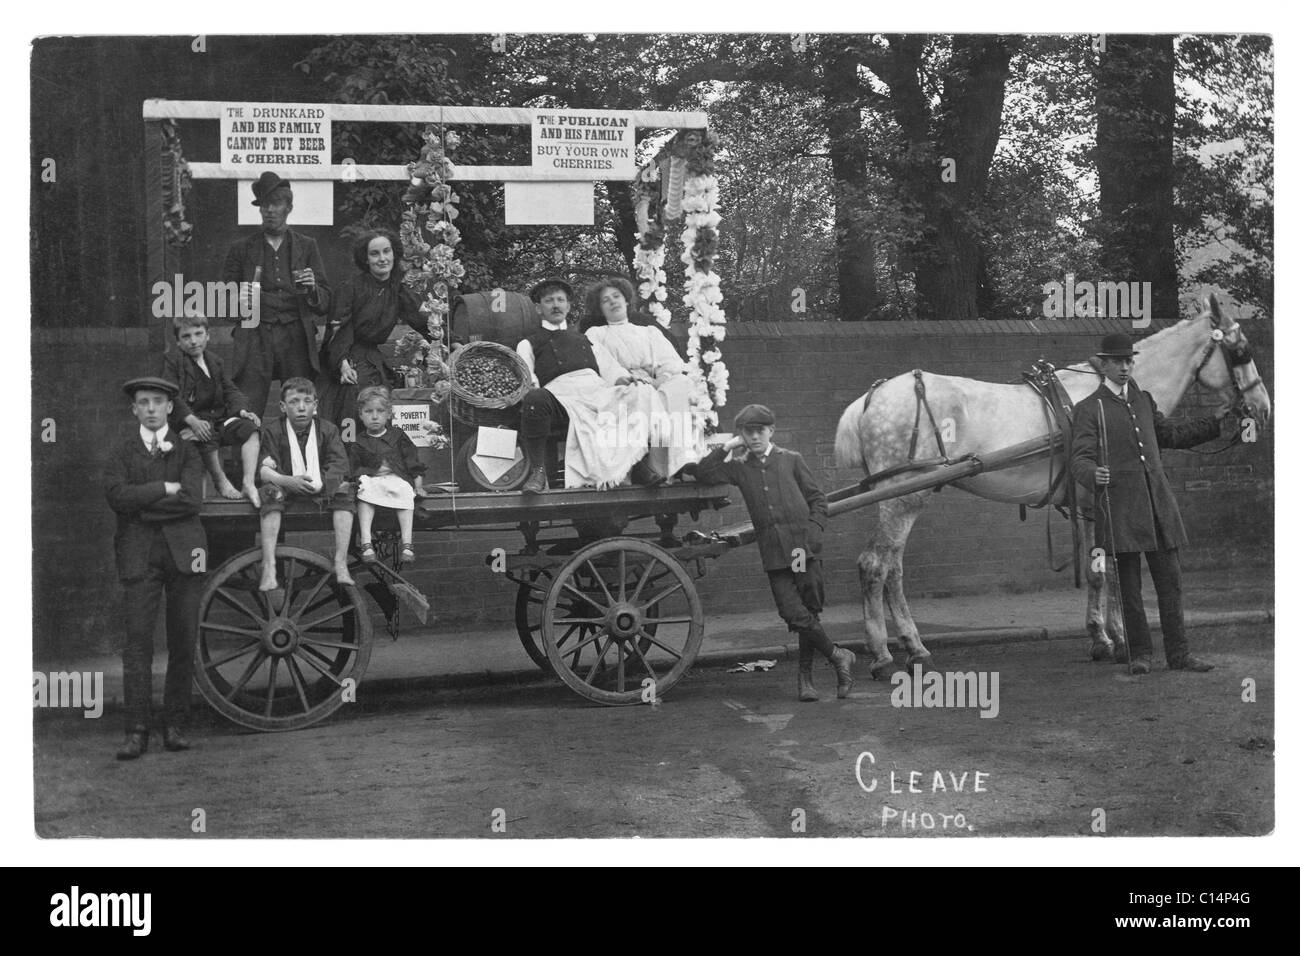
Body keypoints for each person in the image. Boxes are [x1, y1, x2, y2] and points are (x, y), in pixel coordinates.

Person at [1070, 332, 1228, 674]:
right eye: (1118, 361)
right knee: (1129, 590)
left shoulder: (1143, 400)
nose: (1125, 367)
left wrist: (1215, 423)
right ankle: (1141, 655)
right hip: (1122, 509)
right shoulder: (1089, 409)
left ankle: (1179, 656)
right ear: (1105, 365)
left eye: (1129, 361)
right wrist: (1092, 472)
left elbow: (1170, 435)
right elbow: (1079, 459)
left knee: (1170, 584)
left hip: (1158, 505)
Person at [694, 404, 856, 702]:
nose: (755, 437)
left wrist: (814, 533)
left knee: (809, 611)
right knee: (793, 614)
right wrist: (728, 445)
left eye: (760, 431)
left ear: (771, 431)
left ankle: (805, 680)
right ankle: (838, 656)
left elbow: (818, 500)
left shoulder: (791, 460)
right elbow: (704, 473)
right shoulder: (740, 467)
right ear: (742, 435)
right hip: (774, 553)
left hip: (802, 548)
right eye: (748, 432)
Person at [103, 377, 206, 758]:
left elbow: (193, 500)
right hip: (138, 554)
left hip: (185, 553)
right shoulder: (122, 452)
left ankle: (175, 725)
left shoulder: (187, 451)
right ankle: (137, 730)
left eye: (157, 401)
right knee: (137, 645)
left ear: (168, 408)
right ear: (134, 409)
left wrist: (141, 505)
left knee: (182, 643)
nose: (150, 408)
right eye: (143, 402)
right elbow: (117, 497)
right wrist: (164, 489)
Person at [515, 278, 662, 493]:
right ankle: (537, 471)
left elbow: (610, 370)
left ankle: (636, 463)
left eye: (560, 300)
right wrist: (535, 389)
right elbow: (527, 376)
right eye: (548, 301)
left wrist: (625, 380)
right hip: (561, 396)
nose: (555, 305)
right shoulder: (528, 342)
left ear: (568, 306)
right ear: (538, 308)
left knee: (641, 392)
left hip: (595, 391)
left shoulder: (584, 339)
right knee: (534, 399)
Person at [222, 171, 331, 420]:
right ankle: (248, 459)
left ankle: (300, 457)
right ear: (259, 209)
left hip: (296, 337)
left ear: (289, 208)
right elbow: (223, 302)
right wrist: (239, 298)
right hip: (255, 335)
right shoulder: (241, 249)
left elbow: (325, 301)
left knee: (301, 406)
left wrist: (313, 289)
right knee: (246, 407)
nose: (270, 210)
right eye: (264, 204)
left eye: (276, 203)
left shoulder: (307, 246)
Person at [582, 277, 698, 480]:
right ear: (600, 309)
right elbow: (603, 363)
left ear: (626, 300)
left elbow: (670, 363)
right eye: (605, 300)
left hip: (654, 383)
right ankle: (649, 467)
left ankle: (682, 459)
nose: (612, 302)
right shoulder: (596, 333)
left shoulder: (649, 331)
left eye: (616, 296)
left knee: (682, 384)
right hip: (622, 388)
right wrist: (625, 378)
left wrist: (660, 380)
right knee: (640, 392)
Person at [319, 229, 431, 425]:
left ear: (394, 254)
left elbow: (424, 323)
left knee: (379, 408)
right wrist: (342, 364)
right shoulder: (350, 288)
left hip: (372, 359)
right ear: (365, 259)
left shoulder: (399, 290)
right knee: (353, 401)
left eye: (386, 251)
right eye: (374, 253)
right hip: (343, 358)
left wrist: (453, 342)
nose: (382, 258)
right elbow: (338, 331)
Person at [256, 377, 355, 593]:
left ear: (315, 405)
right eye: (294, 401)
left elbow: (339, 464)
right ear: (283, 406)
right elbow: (264, 468)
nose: (301, 407)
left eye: (307, 401)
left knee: (345, 492)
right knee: (269, 492)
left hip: (320, 487)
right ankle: (270, 564)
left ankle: (340, 561)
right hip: (285, 487)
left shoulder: (328, 430)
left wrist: (321, 484)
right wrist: (286, 481)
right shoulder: (273, 430)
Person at [162, 312, 262, 506]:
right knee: (205, 433)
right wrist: (191, 419)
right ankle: (220, 480)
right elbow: (171, 394)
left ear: (207, 335)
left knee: (250, 428)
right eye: (186, 336)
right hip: (189, 424)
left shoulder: (215, 361)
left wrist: (242, 410)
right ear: (178, 342)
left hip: (217, 420)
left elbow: (230, 390)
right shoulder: (174, 362)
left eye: (198, 334)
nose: (193, 341)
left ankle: (248, 482)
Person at [349, 386, 426, 566]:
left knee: (406, 491)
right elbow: (353, 468)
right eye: (368, 412)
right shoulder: (358, 441)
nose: (374, 416)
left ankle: (407, 544)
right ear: (360, 415)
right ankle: (366, 543)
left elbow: (413, 463)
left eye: (380, 411)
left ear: (389, 414)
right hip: (373, 480)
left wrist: (419, 485)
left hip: (396, 478)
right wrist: (367, 474)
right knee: (364, 492)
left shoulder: (398, 436)